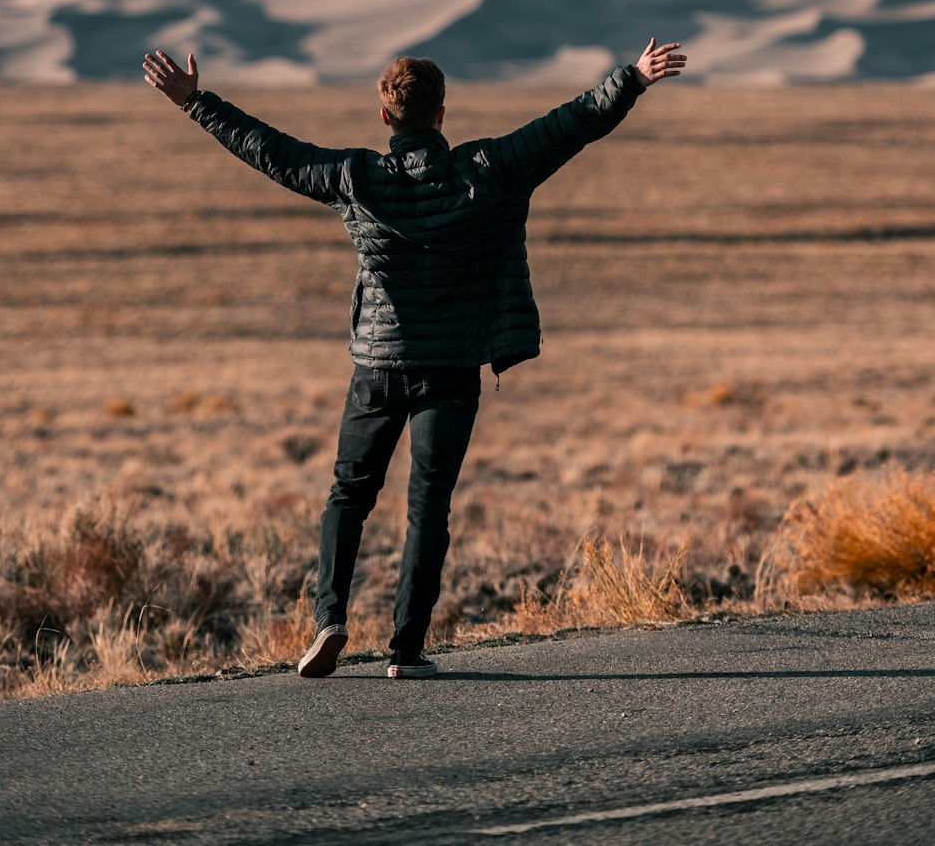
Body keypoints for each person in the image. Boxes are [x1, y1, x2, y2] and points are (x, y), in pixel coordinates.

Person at [142, 36, 687, 680]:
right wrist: (631, 78)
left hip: (377, 365)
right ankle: (406, 651)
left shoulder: (355, 176)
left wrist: (196, 103)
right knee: (429, 506)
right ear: (442, 113)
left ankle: (330, 619)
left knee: (349, 494)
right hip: (451, 368)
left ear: (384, 117)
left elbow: (274, 153)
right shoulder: (489, 168)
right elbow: (568, 126)